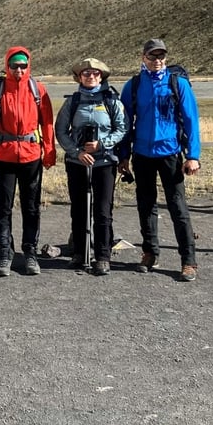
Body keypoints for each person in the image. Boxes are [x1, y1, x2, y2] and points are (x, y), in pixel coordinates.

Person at [118, 39, 201, 281]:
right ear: (143, 58)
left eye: (161, 56)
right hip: (142, 155)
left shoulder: (178, 84)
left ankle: (188, 260)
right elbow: (124, 125)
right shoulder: (133, 86)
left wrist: (193, 156)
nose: (157, 61)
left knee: (178, 208)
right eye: (152, 57)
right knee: (146, 206)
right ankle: (149, 253)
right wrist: (123, 156)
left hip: (170, 154)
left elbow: (191, 121)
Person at [0, 46, 56, 277]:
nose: (19, 70)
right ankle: (5, 253)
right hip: (4, 156)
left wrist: (49, 152)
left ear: (28, 66)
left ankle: (30, 253)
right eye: (14, 65)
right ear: (7, 66)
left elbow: (47, 123)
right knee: (3, 207)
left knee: (31, 207)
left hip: (31, 156)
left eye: (23, 65)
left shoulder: (37, 89)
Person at [55, 58, 127, 276]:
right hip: (78, 163)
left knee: (103, 211)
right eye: (85, 73)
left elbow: (122, 128)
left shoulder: (111, 100)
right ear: (79, 77)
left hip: (104, 163)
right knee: (78, 209)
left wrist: (101, 145)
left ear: (101, 76)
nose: (90, 76)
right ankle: (79, 253)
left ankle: (103, 256)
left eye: (95, 73)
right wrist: (77, 152)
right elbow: (61, 131)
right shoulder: (73, 101)